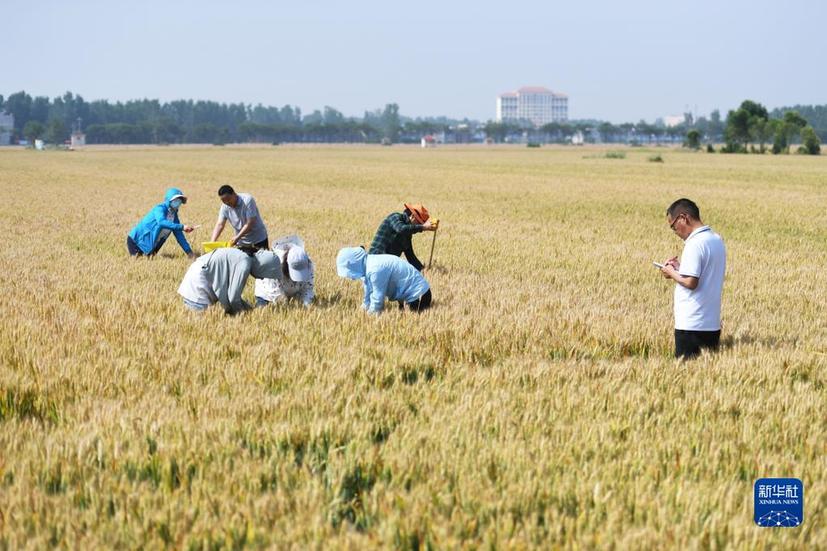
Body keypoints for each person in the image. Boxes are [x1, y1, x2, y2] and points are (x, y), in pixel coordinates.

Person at [659, 198, 726, 359]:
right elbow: (705, 273)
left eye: (673, 226)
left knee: (685, 371)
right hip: (711, 324)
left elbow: (691, 282)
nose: (675, 232)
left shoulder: (694, 243)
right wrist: (680, 268)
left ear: (683, 218)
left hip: (691, 324)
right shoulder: (716, 239)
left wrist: (670, 271)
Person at [177, 247, 280, 314]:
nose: (261, 278)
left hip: (196, 275)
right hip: (199, 284)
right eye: (265, 275)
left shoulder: (242, 256)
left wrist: (249, 310)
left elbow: (231, 296)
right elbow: (233, 299)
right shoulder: (244, 263)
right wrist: (247, 315)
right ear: (262, 267)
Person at [336, 246, 432, 314]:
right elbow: (368, 295)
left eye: (349, 271)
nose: (351, 277)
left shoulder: (375, 269)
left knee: (409, 321)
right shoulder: (368, 266)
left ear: (353, 264)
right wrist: (362, 311)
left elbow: (378, 299)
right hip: (410, 296)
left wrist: (368, 319)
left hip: (419, 296)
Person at [127, 187, 195, 258]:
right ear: (169, 200)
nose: (178, 203)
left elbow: (179, 235)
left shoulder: (174, 216)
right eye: (176, 200)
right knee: (139, 261)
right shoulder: (159, 209)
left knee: (149, 260)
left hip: (152, 244)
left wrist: (189, 252)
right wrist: (182, 227)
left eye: (179, 201)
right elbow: (161, 222)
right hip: (136, 241)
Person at [369, 203, 436, 271]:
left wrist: (423, 270)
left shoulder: (407, 234)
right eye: (418, 223)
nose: (418, 226)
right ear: (413, 216)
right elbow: (401, 229)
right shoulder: (395, 217)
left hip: (387, 266)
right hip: (375, 260)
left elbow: (411, 257)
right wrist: (423, 227)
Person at [254, 238, 315, 308]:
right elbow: (274, 291)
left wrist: (306, 305)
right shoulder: (275, 265)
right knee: (263, 309)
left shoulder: (308, 265)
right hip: (268, 292)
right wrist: (286, 306)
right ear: (286, 265)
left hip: (293, 291)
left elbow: (308, 288)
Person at [210, 185, 269, 252]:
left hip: (258, 240)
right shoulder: (225, 207)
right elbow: (220, 225)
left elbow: (250, 222)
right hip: (241, 243)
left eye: (228, 199)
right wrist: (212, 242)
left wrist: (237, 237)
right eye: (223, 201)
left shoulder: (247, 200)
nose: (227, 202)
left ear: (234, 194)